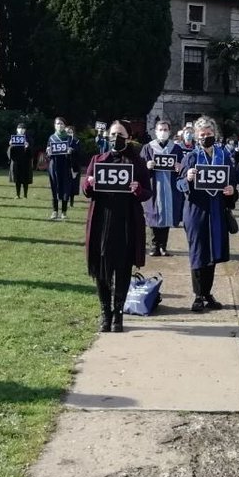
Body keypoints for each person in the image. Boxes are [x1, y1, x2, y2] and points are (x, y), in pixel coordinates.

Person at [80, 120, 152, 331]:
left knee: (122, 268)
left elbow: (148, 193)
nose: (115, 137)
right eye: (112, 133)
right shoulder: (98, 159)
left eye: (120, 134)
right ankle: (105, 313)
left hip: (127, 222)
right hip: (102, 221)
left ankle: (118, 314)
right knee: (102, 270)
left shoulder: (137, 163)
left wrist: (137, 189)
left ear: (128, 137)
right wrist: (89, 183)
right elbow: (86, 189)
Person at [176, 116, 237, 312]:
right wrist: (187, 177)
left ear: (215, 135)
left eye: (209, 134)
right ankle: (198, 295)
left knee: (212, 252)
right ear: (196, 137)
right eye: (202, 135)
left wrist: (231, 190)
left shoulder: (224, 156)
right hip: (196, 210)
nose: (206, 137)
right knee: (198, 252)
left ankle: (207, 292)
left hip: (217, 209)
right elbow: (178, 184)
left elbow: (233, 181)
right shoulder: (191, 157)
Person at [142, 118, 184, 256]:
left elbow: (182, 170)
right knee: (153, 215)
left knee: (166, 216)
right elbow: (139, 170)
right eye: (160, 130)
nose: (163, 132)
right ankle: (154, 246)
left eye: (165, 130)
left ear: (170, 132)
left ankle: (163, 246)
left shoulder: (176, 148)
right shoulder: (148, 148)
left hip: (170, 187)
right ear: (155, 131)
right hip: (154, 187)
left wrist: (180, 168)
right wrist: (146, 166)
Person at [46, 118, 77, 220]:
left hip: (65, 166)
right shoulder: (51, 137)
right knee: (54, 187)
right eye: (58, 124)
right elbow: (48, 154)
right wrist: (48, 152)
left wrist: (71, 152)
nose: (60, 125)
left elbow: (76, 154)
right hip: (54, 166)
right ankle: (55, 211)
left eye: (62, 123)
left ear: (65, 125)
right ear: (55, 125)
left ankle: (64, 212)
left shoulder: (69, 138)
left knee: (65, 188)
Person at [7, 120, 34, 198]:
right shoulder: (13, 139)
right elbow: (9, 152)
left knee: (25, 178)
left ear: (25, 130)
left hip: (26, 161)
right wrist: (11, 145)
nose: (21, 130)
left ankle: (25, 195)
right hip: (16, 161)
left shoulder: (29, 139)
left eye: (23, 128)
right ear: (17, 129)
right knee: (17, 178)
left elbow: (32, 152)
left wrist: (28, 147)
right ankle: (17, 194)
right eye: (19, 128)